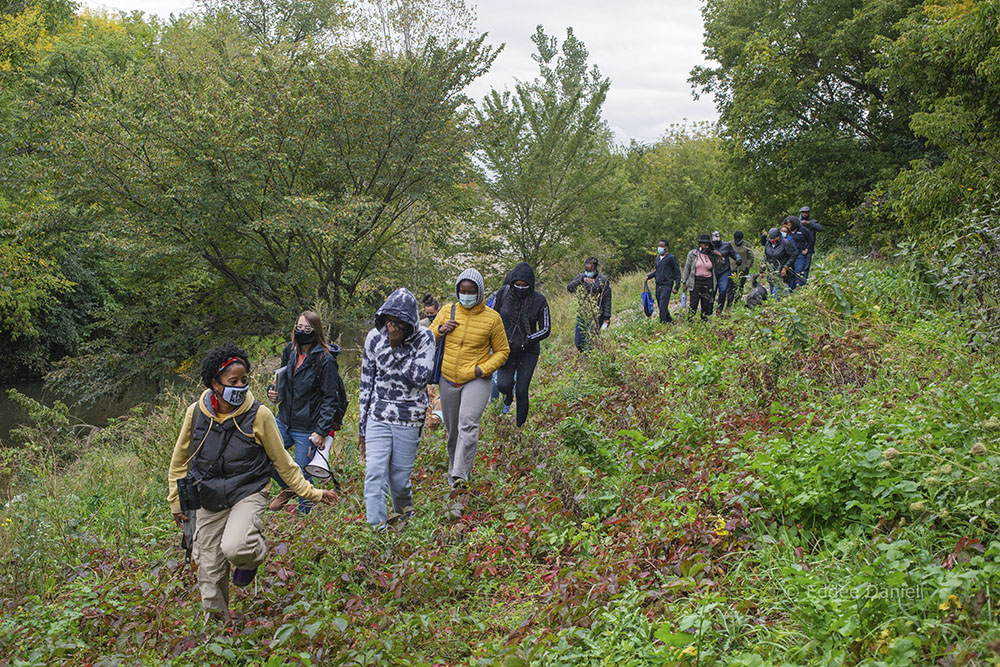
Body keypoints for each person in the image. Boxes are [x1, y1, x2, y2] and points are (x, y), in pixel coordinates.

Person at [168, 344, 336, 622]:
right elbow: (179, 461)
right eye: (232, 382)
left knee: (235, 547)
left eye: (244, 380)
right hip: (208, 495)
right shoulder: (196, 413)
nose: (240, 386)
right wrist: (176, 501)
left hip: (248, 491)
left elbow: (284, 462)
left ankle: (254, 555)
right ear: (215, 384)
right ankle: (218, 630)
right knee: (208, 568)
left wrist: (312, 492)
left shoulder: (259, 415)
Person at [357, 288, 436, 531]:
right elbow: (366, 383)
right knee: (374, 473)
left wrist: (397, 347)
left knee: (399, 482)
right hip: (378, 416)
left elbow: (421, 378)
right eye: (390, 321)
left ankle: (404, 520)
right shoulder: (373, 338)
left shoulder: (425, 338)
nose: (394, 327)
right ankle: (377, 531)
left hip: (409, 417)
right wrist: (362, 429)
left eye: (400, 323)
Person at [429, 269, 510, 487]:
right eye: (463, 291)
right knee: (453, 431)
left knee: (468, 423)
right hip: (448, 378)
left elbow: (503, 351)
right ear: (457, 291)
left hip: (475, 379)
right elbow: (427, 337)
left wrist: (481, 370)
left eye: (471, 291)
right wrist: (440, 329)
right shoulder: (447, 311)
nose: (467, 295)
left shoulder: (492, 318)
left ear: (479, 292)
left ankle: (460, 477)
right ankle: (453, 470)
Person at [266, 311, 344, 515]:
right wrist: (272, 392)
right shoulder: (289, 351)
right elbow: (281, 381)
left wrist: (321, 431)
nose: (301, 332)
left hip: (307, 427)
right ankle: (288, 487)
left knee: (302, 474)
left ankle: (304, 517)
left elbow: (330, 398)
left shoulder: (325, 360)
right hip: (284, 420)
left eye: (307, 329)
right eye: (298, 327)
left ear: (316, 331)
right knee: (263, 454)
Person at [493, 262, 550, 428]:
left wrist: (528, 339)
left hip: (528, 351)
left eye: (524, 285)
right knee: (503, 385)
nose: (520, 288)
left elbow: (546, 328)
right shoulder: (503, 294)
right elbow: (494, 317)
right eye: (517, 285)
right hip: (505, 349)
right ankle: (507, 397)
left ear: (530, 285)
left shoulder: (539, 300)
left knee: (522, 390)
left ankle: (520, 426)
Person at [567, 257, 612, 352]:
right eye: (586, 270)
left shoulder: (602, 280)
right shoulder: (580, 277)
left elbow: (607, 299)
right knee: (579, 342)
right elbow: (569, 288)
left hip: (596, 314)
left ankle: (590, 361)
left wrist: (606, 318)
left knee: (590, 341)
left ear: (595, 269)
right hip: (582, 313)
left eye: (590, 270)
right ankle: (585, 355)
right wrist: (581, 280)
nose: (588, 272)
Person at [682, 234, 726, 320]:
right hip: (696, 281)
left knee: (706, 303)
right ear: (700, 244)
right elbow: (687, 268)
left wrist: (720, 256)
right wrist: (684, 282)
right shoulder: (693, 254)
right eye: (704, 244)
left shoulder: (712, 255)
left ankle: (704, 321)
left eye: (707, 244)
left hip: (708, 281)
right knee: (693, 303)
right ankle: (690, 320)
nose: (706, 246)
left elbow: (719, 267)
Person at [646, 239, 681, 323]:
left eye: (662, 246)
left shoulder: (671, 258)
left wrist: (677, 286)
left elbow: (677, 272)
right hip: (658, 284)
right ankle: (670, 321)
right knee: (661, 305)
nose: (660, 248)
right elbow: (657, 271)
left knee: (663, 305)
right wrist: (648, 276)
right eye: (659, 246)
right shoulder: (658, 258)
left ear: (666, 248)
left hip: (667, 284)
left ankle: (662, 323)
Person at [710, 231, 742, 314]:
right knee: (711, 291)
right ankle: (709, 310)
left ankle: (719, 308)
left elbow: (734, 254)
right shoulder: (709, 246)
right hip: (712, 271)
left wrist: (738, 259)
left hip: (724, 270)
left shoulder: (726, 245)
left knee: (723, 289)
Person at [763, 226, 798, 299]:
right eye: (771, 239)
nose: (772, 240)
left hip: (782, 272)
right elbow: (765, 257)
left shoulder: (785, 243)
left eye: (774, 239)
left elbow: (793, 256)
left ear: (778, 237)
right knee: (772, 294)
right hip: (771, 272)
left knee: (778, 295)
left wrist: (785, 267)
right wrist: (761, 271)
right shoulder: (768, 244)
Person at [797, 206, 824, 283]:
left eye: (806, 212)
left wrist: (809, 223)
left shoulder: (812, 221)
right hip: (798, 248)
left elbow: (820, 228)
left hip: (809, 247)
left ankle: (804, 282)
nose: (804, 214)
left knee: (806, 267)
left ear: (808, 213)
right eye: (803, 212)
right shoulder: (797, 222)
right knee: (798, 267)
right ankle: (798, 283)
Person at [787, 217, 814, 291]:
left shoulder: (803, 230)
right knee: (790, 271)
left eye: (790, 225)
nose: (789, 226)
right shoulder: (787, 232)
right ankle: (791, 289)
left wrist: (807, 249)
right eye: (788, 225)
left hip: (800, 254)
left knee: (799, 271)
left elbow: (810, 240)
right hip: (790, 255)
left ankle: (800, 288)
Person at [730, 231, 755, 306]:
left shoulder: (746, 245)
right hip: (732, 270)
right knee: (732, 287)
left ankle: (737, 301)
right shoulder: (730, 244)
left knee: (741, 286)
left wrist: (747, 266)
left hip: (743, 270)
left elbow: (751, 257)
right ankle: (730, 302)